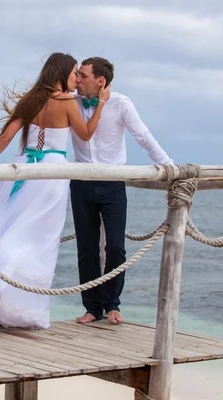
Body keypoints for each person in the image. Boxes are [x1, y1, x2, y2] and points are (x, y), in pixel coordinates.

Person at [0, 53, 111, 330]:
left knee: (12, 229)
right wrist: (100, 105)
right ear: (62, 73)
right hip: (52, 172)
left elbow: (5, 138)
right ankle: (16, 305)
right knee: (40, 239)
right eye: (74, 72)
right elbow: (85, 135)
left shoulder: (30, 100)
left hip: (24, 167)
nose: (77, 78)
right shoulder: (66, 102)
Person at [70, 57, 174, 325]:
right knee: (87, 248)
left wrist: (169, 167)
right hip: (80, 182)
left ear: (100, 81)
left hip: (113, 183)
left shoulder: (121, 103)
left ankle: (112, 303)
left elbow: (143, 136)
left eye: (83, 75)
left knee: (116, 246)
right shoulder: (71, 101)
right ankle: (92, 307)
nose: (78, 79)